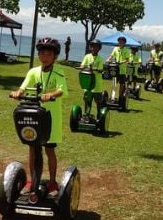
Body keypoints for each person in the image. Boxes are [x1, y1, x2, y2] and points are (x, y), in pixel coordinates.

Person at [9, 37, 67, 197]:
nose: (44, 56)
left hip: (51, 118)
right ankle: (32, 181)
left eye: (48, 53)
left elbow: (62, 90)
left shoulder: (58, 72)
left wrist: (51, 94)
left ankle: (53, 182)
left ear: (55, 56)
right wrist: (18, 93)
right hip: (34, 115)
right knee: (33, 148)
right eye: (41, 53)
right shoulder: (33, 72)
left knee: (49, 150)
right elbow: (23, 87)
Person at [79, 39, 104, 115]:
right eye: (93, 47)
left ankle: (99, 116)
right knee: (87, 101)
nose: (94, 48)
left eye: (96, 47)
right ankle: (86, 115)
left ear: (99, 49)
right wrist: (85, 67)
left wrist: (93, 69)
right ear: (90, 47)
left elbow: (100, 70)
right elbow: (82, 66)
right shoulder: (87, 56)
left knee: (98, 102)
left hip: (97, 85)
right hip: (88, 84)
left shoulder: (100, 59)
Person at [107, 36, 131, 101]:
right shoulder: (115, 49)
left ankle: (120, 97)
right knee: (114, 84)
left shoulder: (126, 50)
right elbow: (111, 56)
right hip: (115, 70)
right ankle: (112, 97)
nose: (120, 43)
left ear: (124, 43)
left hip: (122, 70)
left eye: (121, 42)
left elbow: (127, 60)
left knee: (121, 84)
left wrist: (121, 62)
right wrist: (108, 59)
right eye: (119, 42)